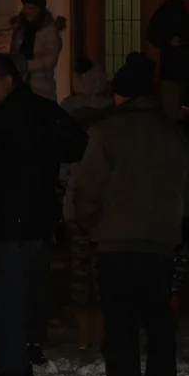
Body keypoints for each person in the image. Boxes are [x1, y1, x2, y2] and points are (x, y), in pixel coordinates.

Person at [73, 54, 189, 376]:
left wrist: (92, 225)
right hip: (160, 242)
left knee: (121, 323)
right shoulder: (174, 133)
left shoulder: (106, 131)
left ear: (121, 94)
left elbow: (89, 189)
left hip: (116, 240)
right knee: (160, 323)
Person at [0, 53, 88, 376]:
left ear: (9, 81)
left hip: (9, 220)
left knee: (6, 296)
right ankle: (19, 359)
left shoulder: (1, 120)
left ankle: (14, 369)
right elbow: (76, 144)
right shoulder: (42, 111)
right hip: (35, 218)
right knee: (25, 294)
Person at [61, 58, 112, 350]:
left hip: (75, 198)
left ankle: (85, 334)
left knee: (80, 271)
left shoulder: (67, 110)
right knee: (101, 269)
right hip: (104, 203)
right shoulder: (112, 114)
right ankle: (101, 330)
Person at [9, 0, 65, 101]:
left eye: (31, 8)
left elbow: (49, 60)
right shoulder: (20, 30)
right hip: (19, 83)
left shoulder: (49, 32)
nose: (27, 12)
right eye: (25, 8)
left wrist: (25, 65)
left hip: (40, 86)